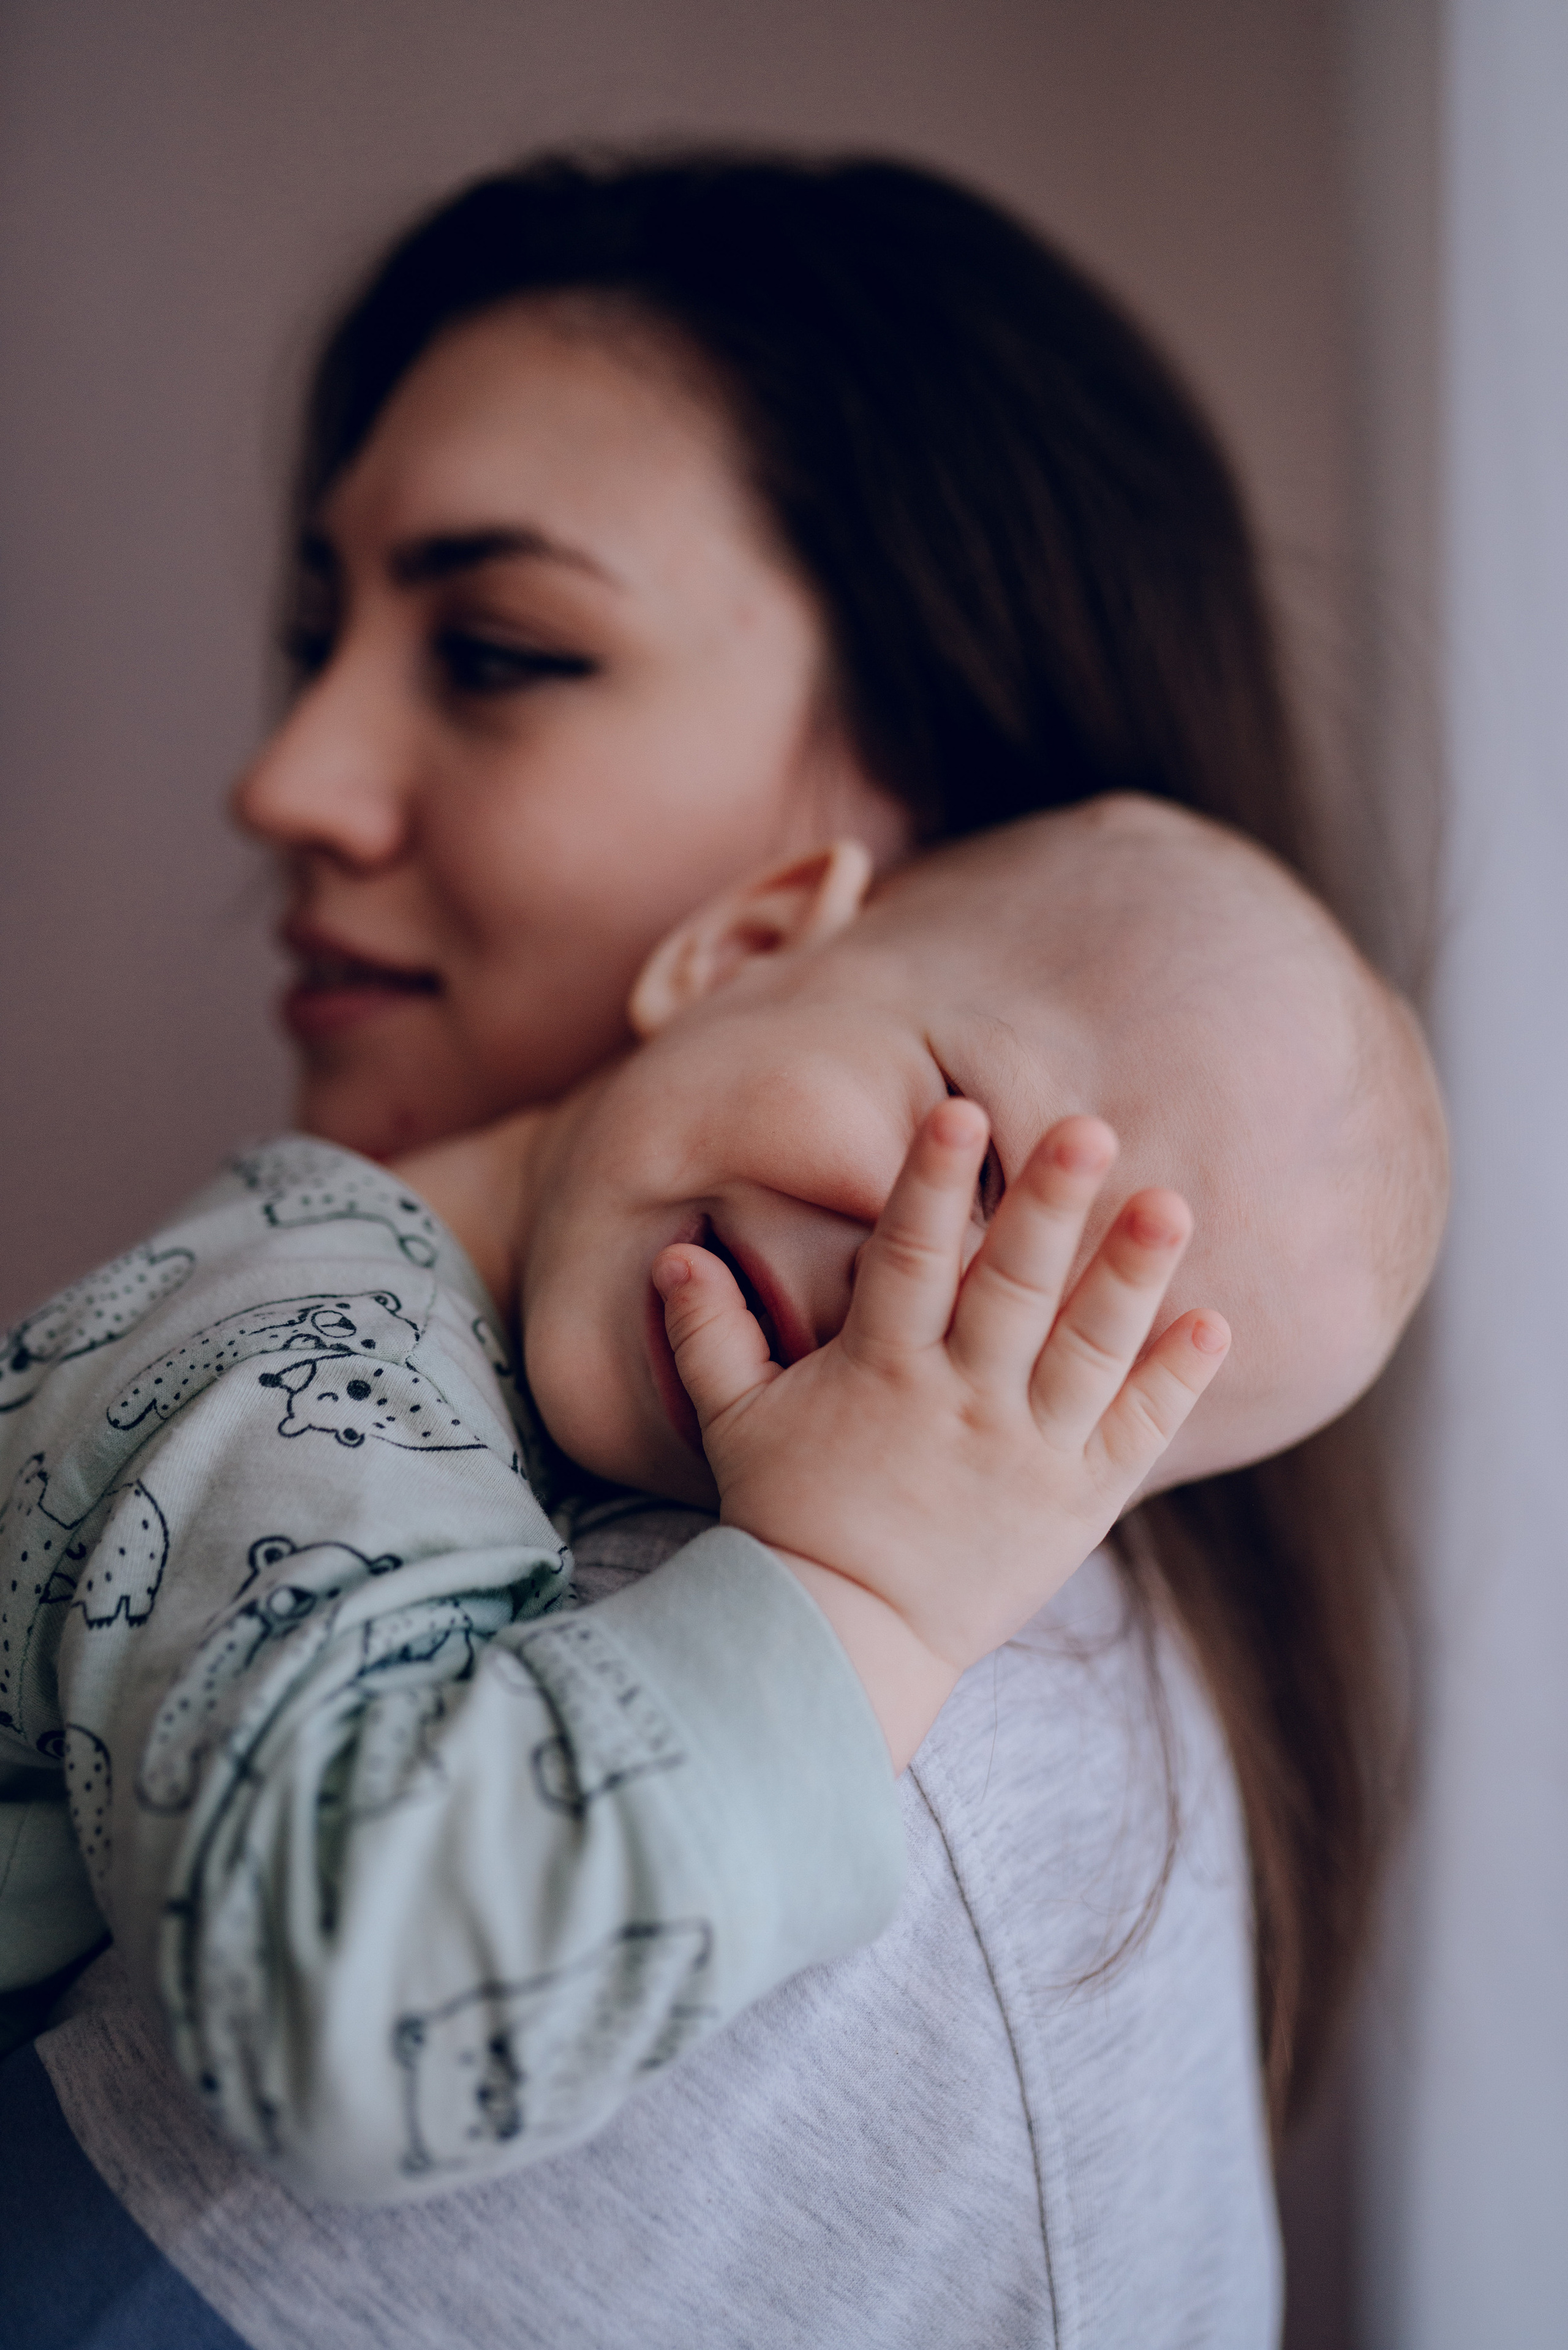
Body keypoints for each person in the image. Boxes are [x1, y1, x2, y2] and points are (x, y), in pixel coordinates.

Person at [0, 149, 1442, 2346]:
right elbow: (367, 1996)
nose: (283, 779)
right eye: (966, 1158)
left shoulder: (961, 1771)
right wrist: (854, 1603)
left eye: (1063, 1373)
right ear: (759, 942)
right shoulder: (303, 1361)